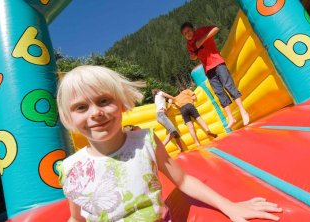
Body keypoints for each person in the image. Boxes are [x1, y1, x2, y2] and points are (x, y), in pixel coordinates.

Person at [56, 65, 282, 222]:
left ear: (122, 103)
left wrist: (229, 206)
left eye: (104, 101)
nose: (95, 113)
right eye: (81, 107)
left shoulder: (144, 142)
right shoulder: (70, 169)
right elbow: (76, 217)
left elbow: (182, 179)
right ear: (69, 117)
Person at [181, 22, 250, 129]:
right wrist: (193, 56)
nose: (187, 34)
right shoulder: (189, 45)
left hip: (217, 62)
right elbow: (193, 57)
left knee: (228, 85)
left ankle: (243, 111)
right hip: (208, 69)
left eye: (188, 31)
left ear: (193, 29)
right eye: (185, 33)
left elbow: (216, 28)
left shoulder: (201, 31)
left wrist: (201, 41)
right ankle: (231, 118)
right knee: (219, 93)